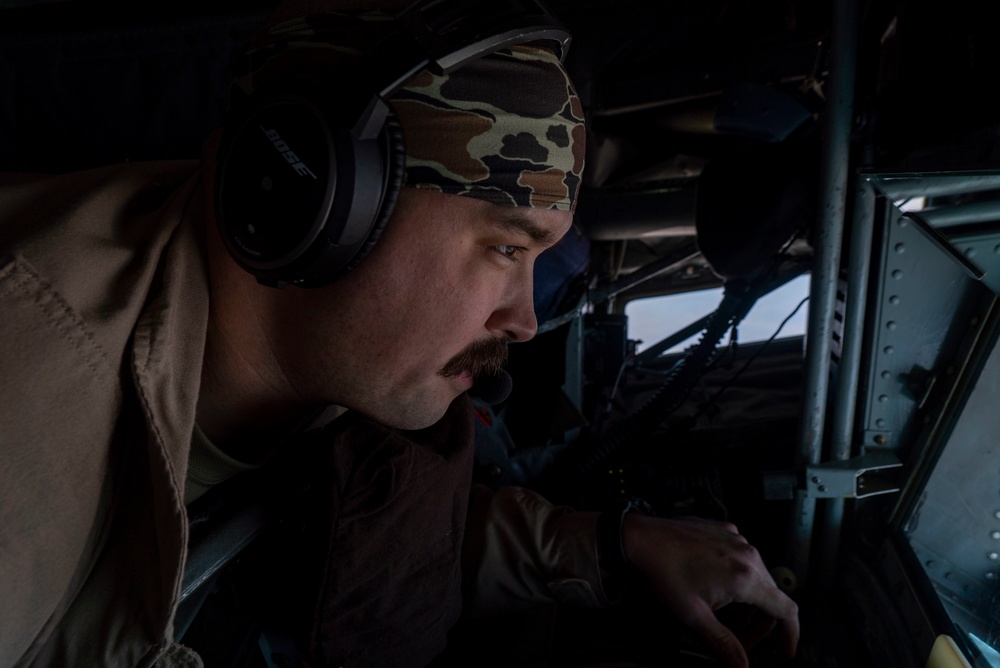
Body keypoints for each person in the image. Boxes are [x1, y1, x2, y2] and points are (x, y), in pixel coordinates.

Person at [0, 1, 799, 666]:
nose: (523, 320)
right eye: (506, 247)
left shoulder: (319, 362)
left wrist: (603, 548)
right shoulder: (26, 415)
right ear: (316, 196)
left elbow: (356, 540)